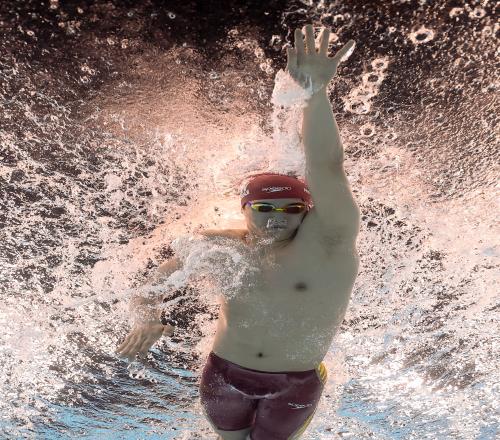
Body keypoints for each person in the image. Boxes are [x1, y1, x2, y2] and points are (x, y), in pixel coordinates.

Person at [116, 24, 360, 440]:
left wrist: (315, 95)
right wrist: (146, 318)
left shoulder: (328, 243)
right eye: (264, 208)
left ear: (308, 211)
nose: (277, 218)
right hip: (223, 373)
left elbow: (327, 166)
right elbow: (150, 285)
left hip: (294, 383)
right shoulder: (221, 247)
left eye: (291, 209)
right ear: (245, 211)